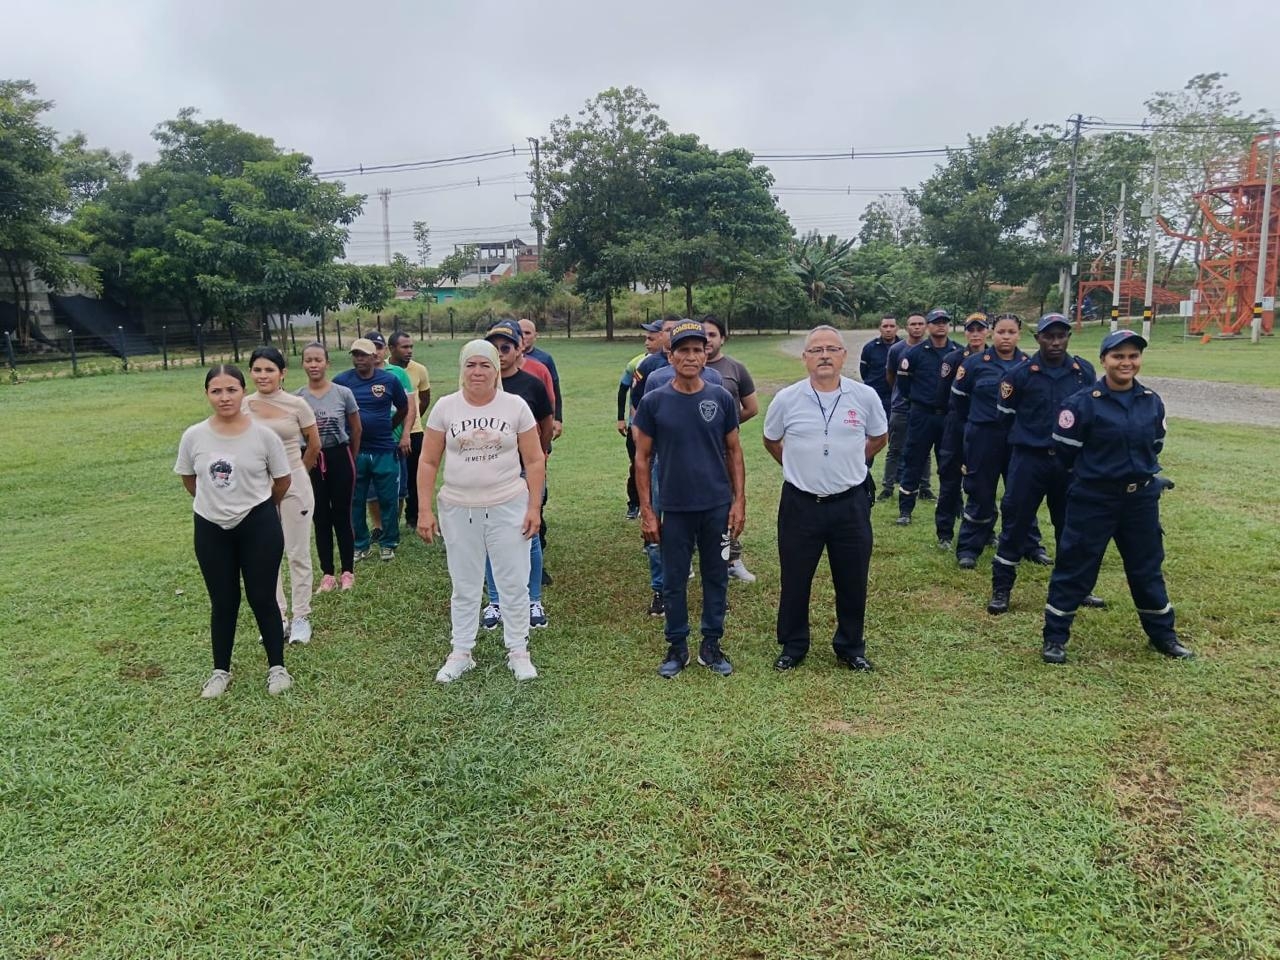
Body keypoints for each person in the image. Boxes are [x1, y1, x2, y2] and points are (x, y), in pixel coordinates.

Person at [1040, 330, 1193, 664]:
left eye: (1133, 356)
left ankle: (1163, 636)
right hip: (1093, 500)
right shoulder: (1081, 404)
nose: (1126, 363)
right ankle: (1054, 638)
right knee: (1075, 567)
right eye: (1118, 356)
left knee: (1146, 569)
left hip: (1139, 502)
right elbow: (1064, 455)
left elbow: (1154, 444)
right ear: (1103, 360)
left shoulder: (1151, 401)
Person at [418, 340, 545, 682]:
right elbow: (429, 461)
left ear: (495, 369)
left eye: (485, 365)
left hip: (508, 505)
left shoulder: (515, 406)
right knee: (465, 583)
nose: (477, 372)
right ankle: (461, 652)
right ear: (462, 369)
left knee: (514, 581)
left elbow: (534, 459)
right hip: (459, 509)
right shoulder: (446, 407)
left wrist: (534, 506)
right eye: (471, 365)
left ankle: (518, 650)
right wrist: (424, 510)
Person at [764, 326, 887, 672]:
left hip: (850, 503)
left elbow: (879, 436)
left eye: (832, 349)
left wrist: (852, 462)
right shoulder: (787, 399)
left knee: (852, 577)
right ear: (805, 358)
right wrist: (798, 466)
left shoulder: (864, 397)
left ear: (844, 356)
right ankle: (794, 644)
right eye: (816, 350)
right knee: (795, 577)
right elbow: (772, 440)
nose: (824, 355)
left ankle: (850, 645)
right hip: (800, 504)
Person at [633, 320, 745, 679]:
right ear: (671, 354)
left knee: (717, 576)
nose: (692, 356)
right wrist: (648, 511)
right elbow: (643, 458)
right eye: (684, 350)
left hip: (716, 506)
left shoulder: (721, 398)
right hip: (675, 507)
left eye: (698, 349)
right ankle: (677, 646)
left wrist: (738, 501)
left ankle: (711, 645)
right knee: (674, 580)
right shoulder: (654, 401)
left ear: (706, 354)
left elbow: (734, 451)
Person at [175, 364, 294, 698]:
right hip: (210, 527)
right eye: (216, 390)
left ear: (243, 392)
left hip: (258, 525)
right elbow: (189, 478)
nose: (224, 397)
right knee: (223, 601)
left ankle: (277, 667)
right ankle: (220, 671)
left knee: (262, 597)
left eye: (231, 390)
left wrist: (255, 507)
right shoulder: (194, 436)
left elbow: (282, 481)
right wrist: (215, 504)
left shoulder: (264, 436)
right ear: (207, 394)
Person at [985, 314, 1101, 615]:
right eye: (1049, 336)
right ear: (1037, 338)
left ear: (1068, 338)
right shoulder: (1020, 374)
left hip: (1068, 463)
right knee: (1015, 525)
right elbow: (1004, 418)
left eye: (1061, 336)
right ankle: (1002, 589)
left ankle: (1077, 589)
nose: (1055, 342)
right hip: (1029, 460)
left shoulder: (1082, 372)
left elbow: (1093, 414)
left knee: (1071, 528)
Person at [243, 347, 321, 644]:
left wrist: (297, 473)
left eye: (269, 370)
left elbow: (314, 445)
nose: (263, 376)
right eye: (257, 370)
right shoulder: (243, 405)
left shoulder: (297, 404)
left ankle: (301, 616)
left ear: (282, 373)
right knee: (266, 556)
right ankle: (277, 617)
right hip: (258, 489)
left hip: (294, 486)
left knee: (297, 552)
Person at [481, 319, 554, 630]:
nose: (500, 354)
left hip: (524, 468)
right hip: (487, 470)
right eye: (493, 348)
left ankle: (532, 599)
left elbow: (546, 426)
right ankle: (496, 601)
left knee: (529, 532)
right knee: (489, 536)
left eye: (505, 347)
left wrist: (538, 456)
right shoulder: (479, 386)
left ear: (518, 348)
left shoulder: (532, 384)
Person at [950, 314, 1039, 567]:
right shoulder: (975, 364)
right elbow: (958, 403)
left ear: (1019, 334)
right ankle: (969, 548)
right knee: (980, 491)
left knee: (1021, 493)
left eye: (1011, 332)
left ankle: (1030, 544)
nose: (1006, 337)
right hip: (984, 435)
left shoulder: (1029, 365)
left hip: (1017, 438)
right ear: (992, 333)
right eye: (1001, 331)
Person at [334, 338, 408, 562]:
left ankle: (388, 543)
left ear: (374, 356)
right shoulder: (342, 381)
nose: (359, 359)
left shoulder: (389, 380)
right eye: (355, 355)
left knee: (388, 499)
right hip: (354, 451)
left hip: (384, 449)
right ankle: (360, 545)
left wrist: (388, 426)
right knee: (355, 500)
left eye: (363, 355)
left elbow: (404, 407)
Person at [296, 342, 361, 592]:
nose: (314, 365)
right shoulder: (298, 397)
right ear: (303, 364)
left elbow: (356, 429)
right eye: (309, 360)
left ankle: (347, 571)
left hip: (340, 457)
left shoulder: (343, 393)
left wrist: (350, 458)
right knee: (320, 516)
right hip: (310, 460)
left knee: (342, 516)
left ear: (327, 363)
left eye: (318, 360)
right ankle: (327, 573)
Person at [703, 314, 759, 583]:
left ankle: (732, 559)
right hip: (692, 454)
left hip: (724, 452)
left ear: (722, 338)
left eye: (712, 335)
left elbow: (751, 408)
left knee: (730, 505)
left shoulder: (735, 369)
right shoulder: (686, 368)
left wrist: (727, 428)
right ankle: (695, 560)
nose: (707, 340)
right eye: (702, 335)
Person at [895, 308, 960, 525]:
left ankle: (954, 506)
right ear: (928, 326)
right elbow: (903, 386)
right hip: (922, 415)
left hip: (949, 417)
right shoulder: (914, 353)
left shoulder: (958, 353)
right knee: (913, 460)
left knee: (950, 463)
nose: (941, 325)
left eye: (944, 321)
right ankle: (905, 510)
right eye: (936, 322)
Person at [933, 314, 990, 550]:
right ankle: (945, 532)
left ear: (987, 331)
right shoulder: (953, 359)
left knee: (984, 483)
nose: (975, 334)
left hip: (985, 429)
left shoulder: (995, 359)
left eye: (980, 329)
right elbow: (942, 395)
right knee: (949, 481)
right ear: (965, 332)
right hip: (956, 426)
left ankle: (986, 530)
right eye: (971, 330)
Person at [617, 321, 664, 520]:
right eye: (646, 337)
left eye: (651, 338)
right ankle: (635, 503)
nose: (646, 342)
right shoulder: (639, 363)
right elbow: (627, 391)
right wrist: (625, 420)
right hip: (638, 428)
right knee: (638, 466)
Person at [881, 314, 931, 501]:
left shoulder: (930, 349)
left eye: (920, 324)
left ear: (926, 327)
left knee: (924, 450)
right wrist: (902, 395)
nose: (917, 327)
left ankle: (925, 487)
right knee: (894, 449)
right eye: (913, 324)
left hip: (924, 409)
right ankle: (887, 487)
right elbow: (891, 377)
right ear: (906, 327)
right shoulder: (896, 350)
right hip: (900, 408)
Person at [388, 331, 431, 530]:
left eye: (411, 347)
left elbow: (424, 398)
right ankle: (390, 521)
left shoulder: (419, 370)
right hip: (389, 433)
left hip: (413, 433)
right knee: (393, 479)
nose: (409, 351)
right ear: (392, 349)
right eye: (404, 347)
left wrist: (412, 421)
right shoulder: (384, 370)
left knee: (415, 477)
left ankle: (413, 517)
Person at [519, 317, 562, 439]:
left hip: (539, 416)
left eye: (527, 333)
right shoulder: (505, 360)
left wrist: (558, 418)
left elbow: (555, 390)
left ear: (535, 335)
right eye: (520, 333)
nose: (523, 336)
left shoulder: (545, 359)